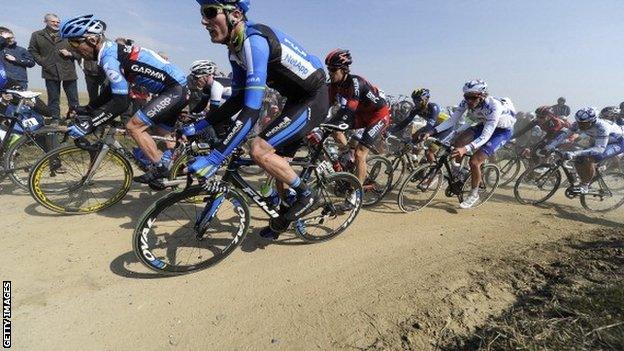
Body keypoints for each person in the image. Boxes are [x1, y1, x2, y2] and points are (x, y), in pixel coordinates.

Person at [187, 0, 328, 239]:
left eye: (210, 13)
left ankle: (307, 195)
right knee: (275, 165)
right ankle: (286, 214)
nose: (204, 21)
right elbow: (238, 100)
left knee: (258, 149)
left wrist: (216, 157)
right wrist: (199, 125)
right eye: (203, 14)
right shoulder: (235, 49)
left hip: (313, 98)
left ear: (236, 15)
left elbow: (252, 109)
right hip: (294, 100)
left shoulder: (254, 42)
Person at [59, 14, 189, 184]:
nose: (74, 48)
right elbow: (111, 90)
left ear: (91, 40)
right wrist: (90, 109)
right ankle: (176, 171)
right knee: (162, 132)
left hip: (174, 90)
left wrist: (91, 123)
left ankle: (161, 169)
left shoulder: (109, 58)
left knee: (134, 127)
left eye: (75, 42)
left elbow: (121, 103)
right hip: (173, 89)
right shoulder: (110, 51)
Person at [424, 79, 516, 209]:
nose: (469, 101)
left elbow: (486, 135)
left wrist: (466, 149)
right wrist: (432, 131)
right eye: (466, 97)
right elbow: (452, 121)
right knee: (459, 141)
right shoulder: (467, 102)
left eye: (472, 97)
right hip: (483, 124)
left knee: (474, 161)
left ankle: (474, 194)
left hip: (500, 131)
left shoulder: (494, 106)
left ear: (482, 95)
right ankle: (457, 172)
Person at [325, 48, 391, 186]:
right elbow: (326, 106)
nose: (330, 73)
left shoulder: (356, 81)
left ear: (343, 69)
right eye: (328, 69)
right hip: (361, 115)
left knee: (360, 154)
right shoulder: (334, 85)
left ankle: (356, 194)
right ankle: (348, 158)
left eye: (333, 70)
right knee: (335, 130)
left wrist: (338, 121)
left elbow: (350, 108)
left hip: (378, 115)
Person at [545, 107, 624, 194]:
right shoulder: (579, 123)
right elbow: (565, 134)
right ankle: (589, 175)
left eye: (583, 124)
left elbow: (599, 149)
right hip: (601, 140)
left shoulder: (602, 127)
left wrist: (574, 153)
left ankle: (585, 186)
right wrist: (551, 145)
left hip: (617, 143)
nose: (580, 125)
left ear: (592, 121)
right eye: (578, 122)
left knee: (588, 159)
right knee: (578, 159)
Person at [28, 14, 80, 121]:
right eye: (53, 21)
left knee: (73, 99)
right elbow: (32, 50)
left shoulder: (68, 34)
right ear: (45, 21)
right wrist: (43, 62)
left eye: (57, 22)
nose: (56, 24)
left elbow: (80, 51)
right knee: (53, 98)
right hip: (50, 70)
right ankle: (54, 119)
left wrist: (70, 54)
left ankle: (75, 120)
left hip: (68, 71)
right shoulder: (37, 35)